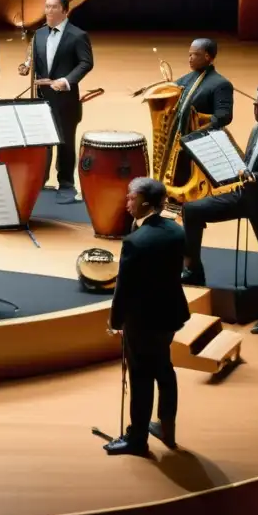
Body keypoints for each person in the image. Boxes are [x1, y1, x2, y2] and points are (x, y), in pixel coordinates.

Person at [182, 83, 258, 334]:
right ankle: (193, 269)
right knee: (191, 210)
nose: (254, 106)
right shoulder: (257, 129)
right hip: (244, 196)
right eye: (255, 102)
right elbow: (248, 161)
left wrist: (255, 176)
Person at [104, 177, 190, 456]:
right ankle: (167, 427)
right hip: (171, 314)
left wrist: (115, 322)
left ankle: (137, 439)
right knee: (163, 368)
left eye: (131, 197)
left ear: (145, 203)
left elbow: (123, 289)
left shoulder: (135, 242)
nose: (127, 201)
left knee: (140, 377)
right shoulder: (176, 231)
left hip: (143, 322)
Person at [18, 0, 94, 204]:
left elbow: (86, 63)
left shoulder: (78, 35)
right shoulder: (39, 35)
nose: (48, 11)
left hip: (66, 98)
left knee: (65, 141)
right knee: (43, 141)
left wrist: (67, 80)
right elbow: (34, 60)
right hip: (42, 97)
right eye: (47, 6)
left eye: (53, 7)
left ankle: (66, 184)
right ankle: (40, 181)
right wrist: (26, 67)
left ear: (64, 10)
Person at [171, 38, 234, 184]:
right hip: (180, 143)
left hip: (203, 144)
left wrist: (197, 122)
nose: (190, 58)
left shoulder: (221, 84)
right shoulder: (186, 79)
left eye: (194, 55)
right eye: (189, 55)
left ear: (207, 56)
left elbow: (224, 116)